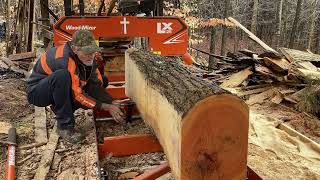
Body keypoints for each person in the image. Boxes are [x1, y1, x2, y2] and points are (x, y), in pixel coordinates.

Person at [27, 30, 125, 144]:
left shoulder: (88, 57)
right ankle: (65, 127)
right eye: (87, 53)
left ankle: (60, 108)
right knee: (62, 77)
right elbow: (77, 95)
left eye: (92, 52)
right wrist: (105, 107)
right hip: (38, 92)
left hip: (58, 88)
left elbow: (95, 83)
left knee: (103, 80)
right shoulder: (63, 59)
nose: (90, 56)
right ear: (74, 49)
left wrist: (110, 101)